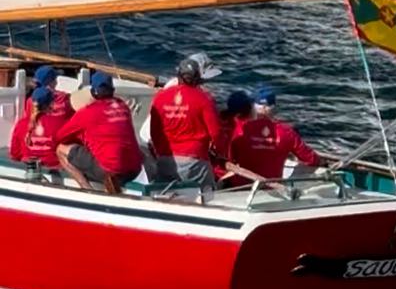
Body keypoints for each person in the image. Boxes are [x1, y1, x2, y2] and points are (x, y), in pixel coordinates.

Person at [55, 71, 143, 196]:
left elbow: (59, 137)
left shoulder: (87, 113)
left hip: (111, 170)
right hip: (134, 170)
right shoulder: (122, 106)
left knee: (60, 149)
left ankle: (87, 190)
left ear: (93, 93)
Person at [148, 55, 223, 195]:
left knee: (166, 193)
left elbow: (155, 132)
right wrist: (219, 153)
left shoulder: (160, 97)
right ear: (197, 78)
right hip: (195, 161)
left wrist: (161, 154)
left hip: (166, 158)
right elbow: (216, 133)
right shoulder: (204, 99)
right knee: (209, 194)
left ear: (178, 76)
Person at [227, 88, 321, 181]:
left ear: (253, 107)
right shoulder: (287, 132)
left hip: (239, 188)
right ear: (273, 107)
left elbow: (228, 157)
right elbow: (311, 159)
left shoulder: (240, 129)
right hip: (273, 187)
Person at [9, 69, 73, 172]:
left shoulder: (22, 123)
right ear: (51, 104)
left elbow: (15, 154)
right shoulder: (64, 103)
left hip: (28, 164)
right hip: (53, 165)